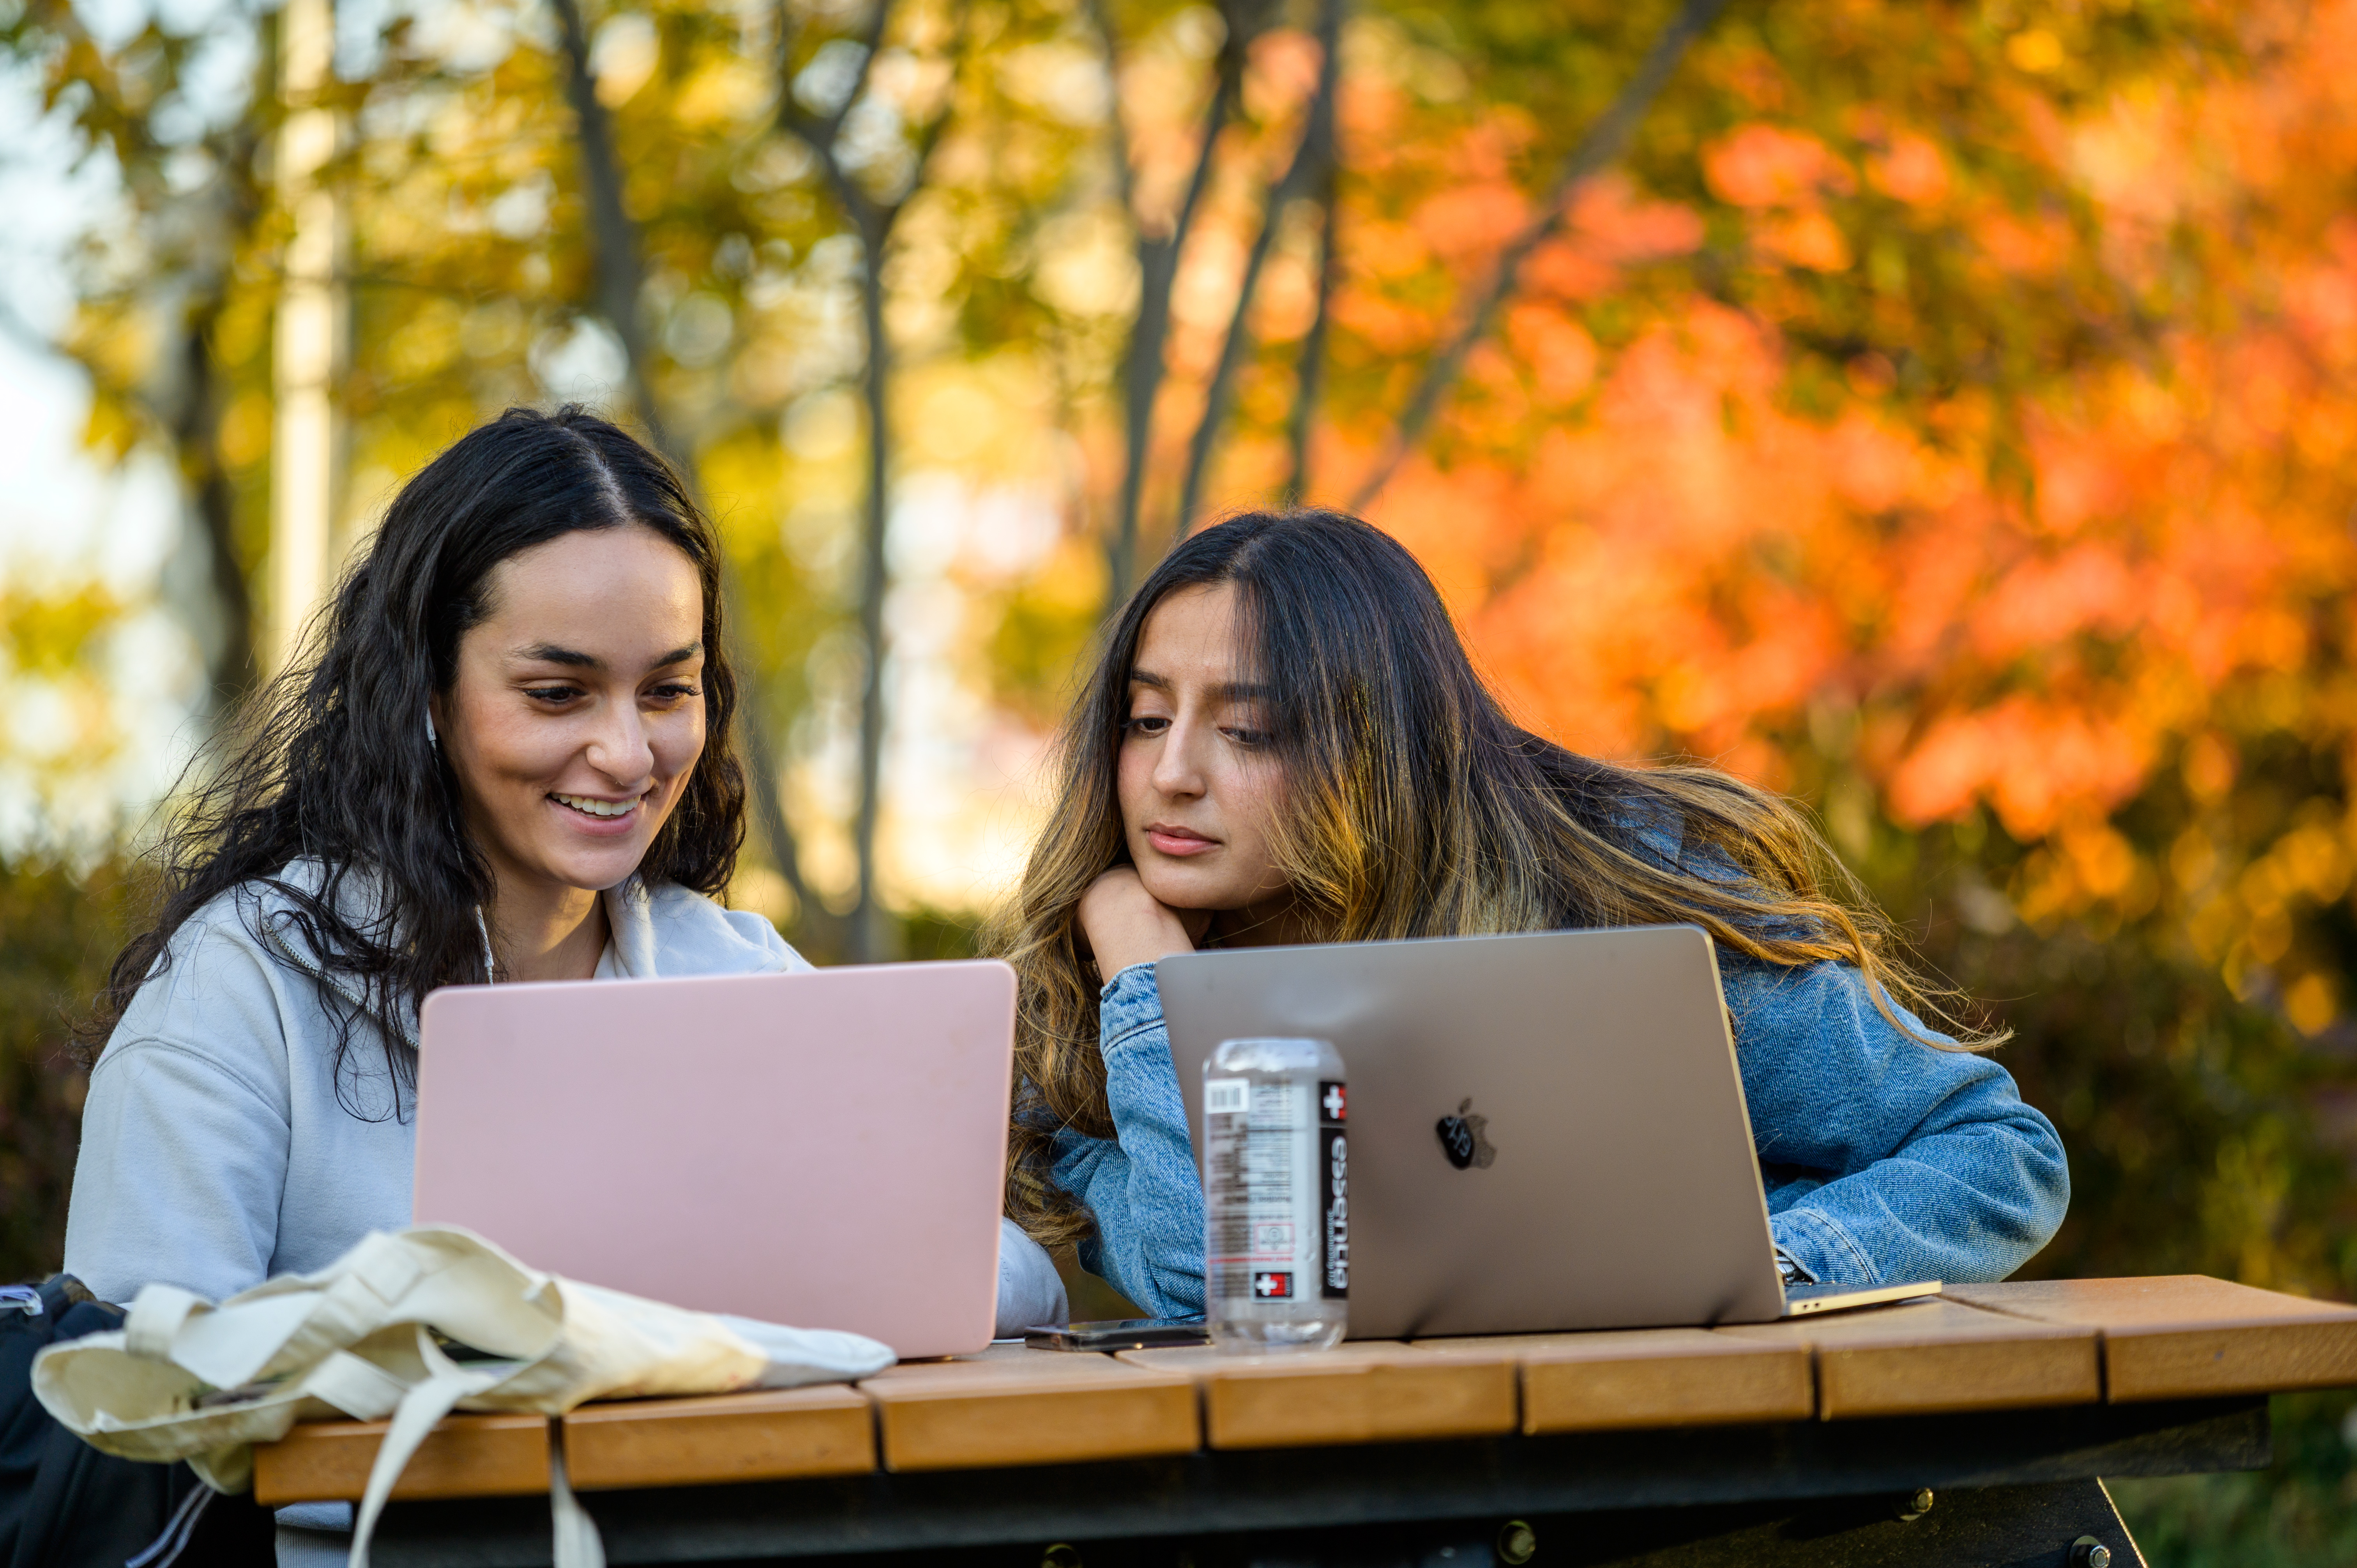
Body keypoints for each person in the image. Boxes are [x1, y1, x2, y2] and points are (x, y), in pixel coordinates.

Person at [65, 406, 1064, 1335]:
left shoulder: (734, 973)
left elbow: (1016, 1277)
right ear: (423, 689)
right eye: (557, 693)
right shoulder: (248, 980)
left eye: (668, 688)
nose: (629, 754)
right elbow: (136, 1374)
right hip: (378, 1530)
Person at [990, 509, 2068, 1321]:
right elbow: (1218, 1288)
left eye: (1253, 732)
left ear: (1376, 754)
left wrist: (1762, 1274)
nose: (1170, 774)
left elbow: (1997, 1152)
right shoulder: (1091, 1018)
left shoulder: (1614, 896)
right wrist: (1148, 987)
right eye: (1145, 718)